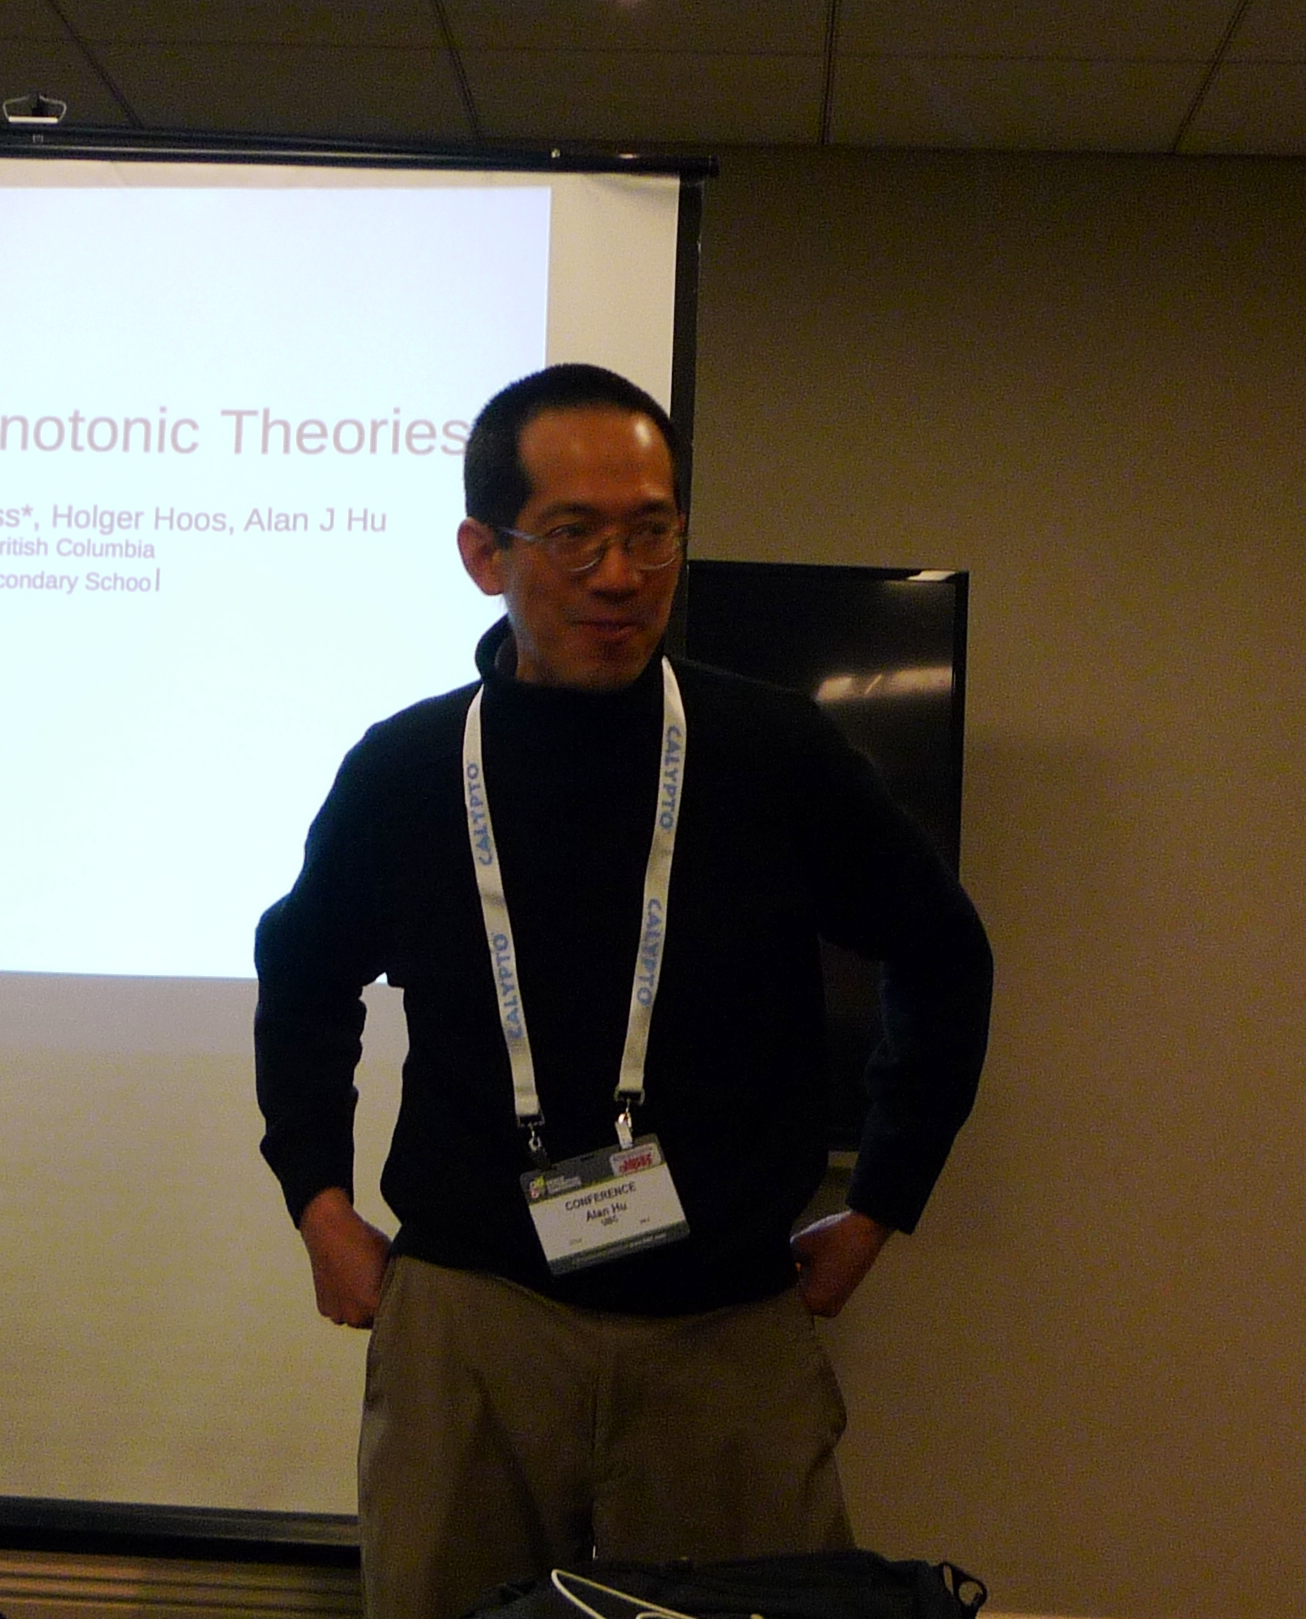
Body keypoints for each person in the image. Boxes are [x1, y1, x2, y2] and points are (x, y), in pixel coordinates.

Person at [253, 364, 993, 1619]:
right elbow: (304, 975)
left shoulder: (773, 754)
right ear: (485, 554)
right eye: (575, 535)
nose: (619, 574)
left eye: (652, 532)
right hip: (474, 1322)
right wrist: (318, 1199)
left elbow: (944, 952)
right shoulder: (408, 769)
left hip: (725, 1332)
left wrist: (880, 1202)